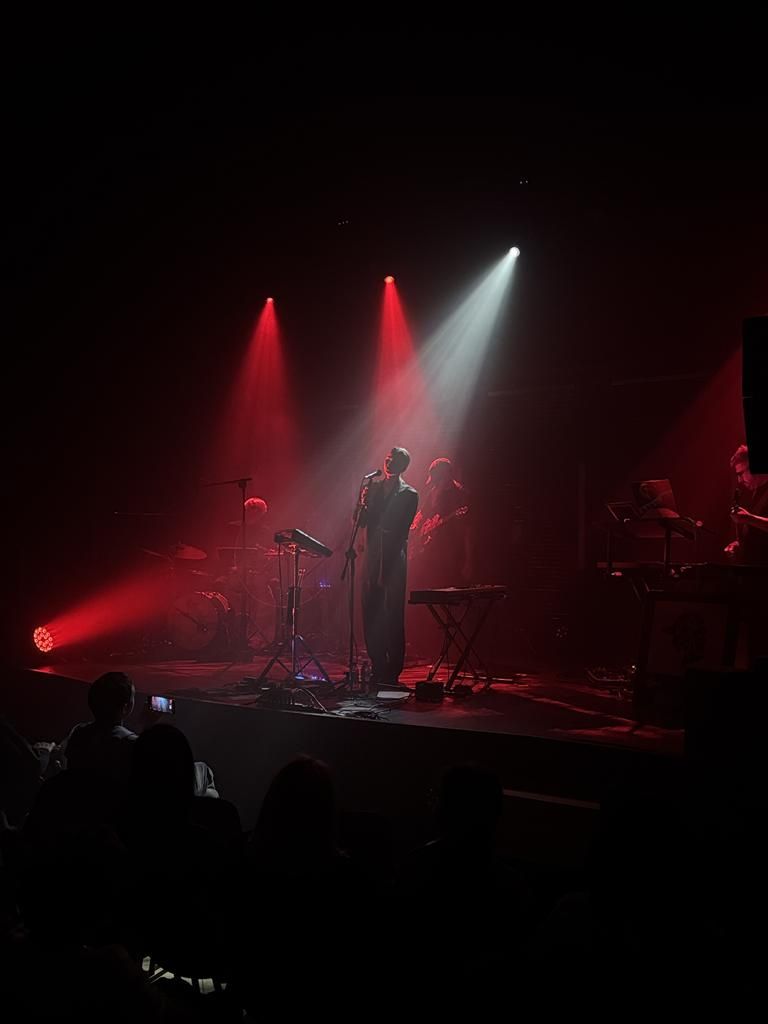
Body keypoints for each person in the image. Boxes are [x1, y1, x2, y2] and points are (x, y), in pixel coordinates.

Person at [359, 446, 419, 688]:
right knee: (370, 611)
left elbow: (401, 526)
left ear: (403, 465)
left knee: (393, 612)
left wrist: (376, 509)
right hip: (372, 557)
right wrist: (363, 504)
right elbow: (360, 522)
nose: (388, 462)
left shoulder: (409, 494)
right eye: (387, 458)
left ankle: (393, 670)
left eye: (394, 459)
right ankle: (377, 666)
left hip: (393, 558)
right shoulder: (371, 488)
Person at [409, 457, 471, 586]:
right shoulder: (434, 491)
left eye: (438, 479)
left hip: (450, 548)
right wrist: (415, 527)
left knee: (448, 581)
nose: (435, 483)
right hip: (433, 546)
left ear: (447, 475)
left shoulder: (459, 494)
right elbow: (423, 511)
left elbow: (465, 528)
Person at [725, 444, 768, 565]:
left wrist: (748, 518)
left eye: (740, 474)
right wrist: (738, 544)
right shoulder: (755, 492)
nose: (739, 480)